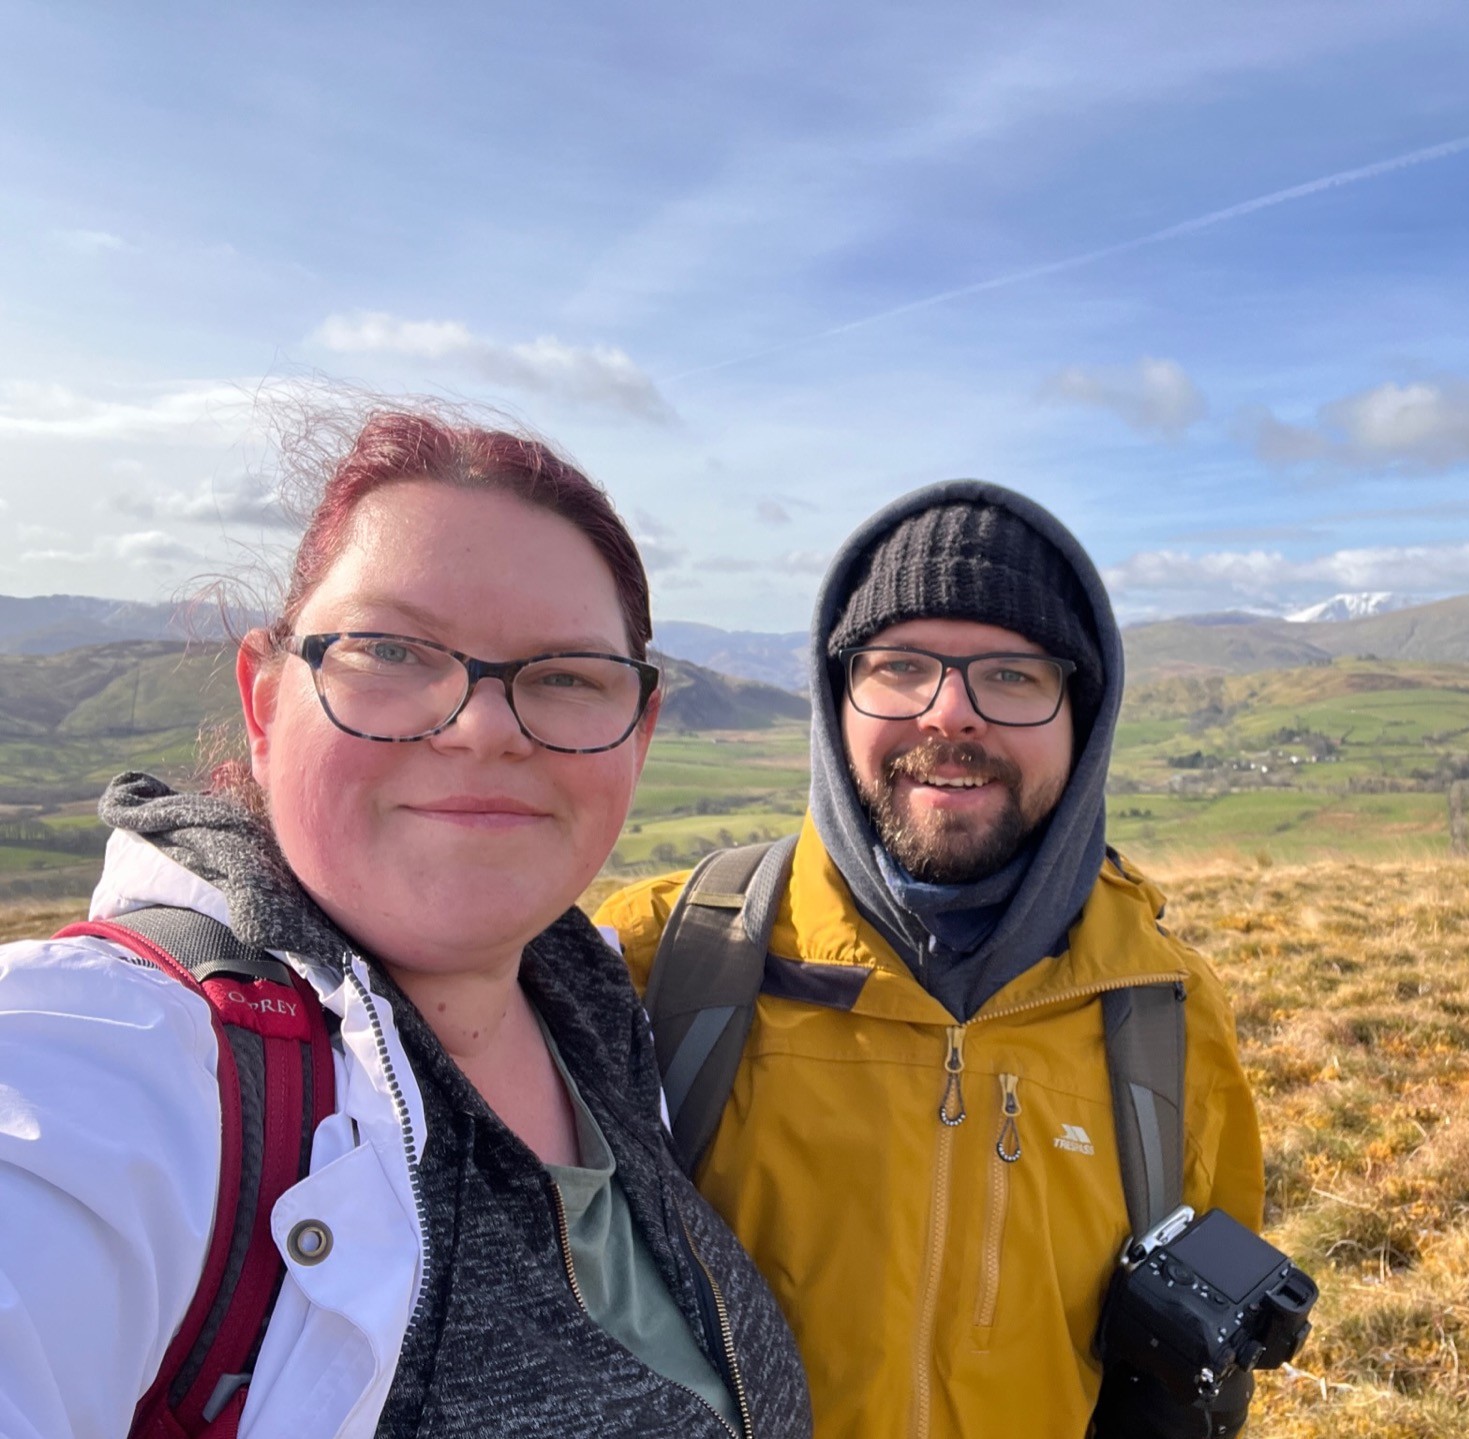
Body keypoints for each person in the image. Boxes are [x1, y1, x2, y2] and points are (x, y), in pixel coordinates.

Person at [0, 411, 810, 1439]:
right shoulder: (114, 1065)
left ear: (638, 734)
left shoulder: (604, 1006)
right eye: (389, 649)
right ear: (262, 705)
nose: (481, 726)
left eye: (565, 675)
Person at [596, 480, 1267, 1438]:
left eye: (1013, 676)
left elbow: (1202, 1349)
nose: (950, 715)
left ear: (1085, 718)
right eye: (902, 666)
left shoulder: (1165, 1012)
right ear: (836, 701)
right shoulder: (666, 961)